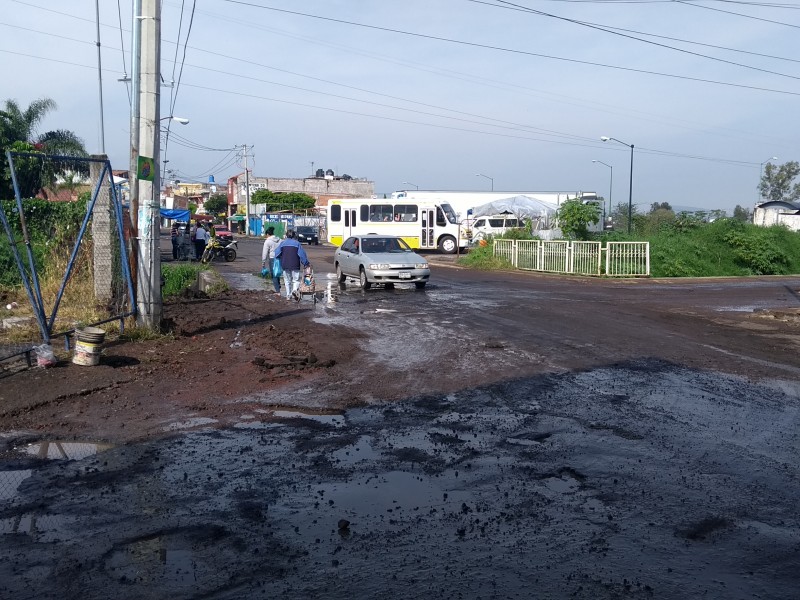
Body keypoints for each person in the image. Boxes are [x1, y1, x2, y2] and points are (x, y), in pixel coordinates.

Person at [274, 229, 310, 301]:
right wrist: (306, 263)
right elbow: (302, 255)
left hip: (285, 264)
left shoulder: (282, 243)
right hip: (295, 264)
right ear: (294, 235)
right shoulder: (297, 244)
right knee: (295, 280)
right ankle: (294, 290)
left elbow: (277, 254)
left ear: (286, 235)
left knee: (287, 280)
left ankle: (288, 295)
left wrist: (280, 257)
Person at [261, 226, 282, 296]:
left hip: (272, 259)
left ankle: (278, 291)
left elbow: (264, 253)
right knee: (278, 273)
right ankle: (278, 287)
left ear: (267, 234)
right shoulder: (280, 240)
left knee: (274, 275)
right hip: (280, 258)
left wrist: (263, 263)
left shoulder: (267, 241)